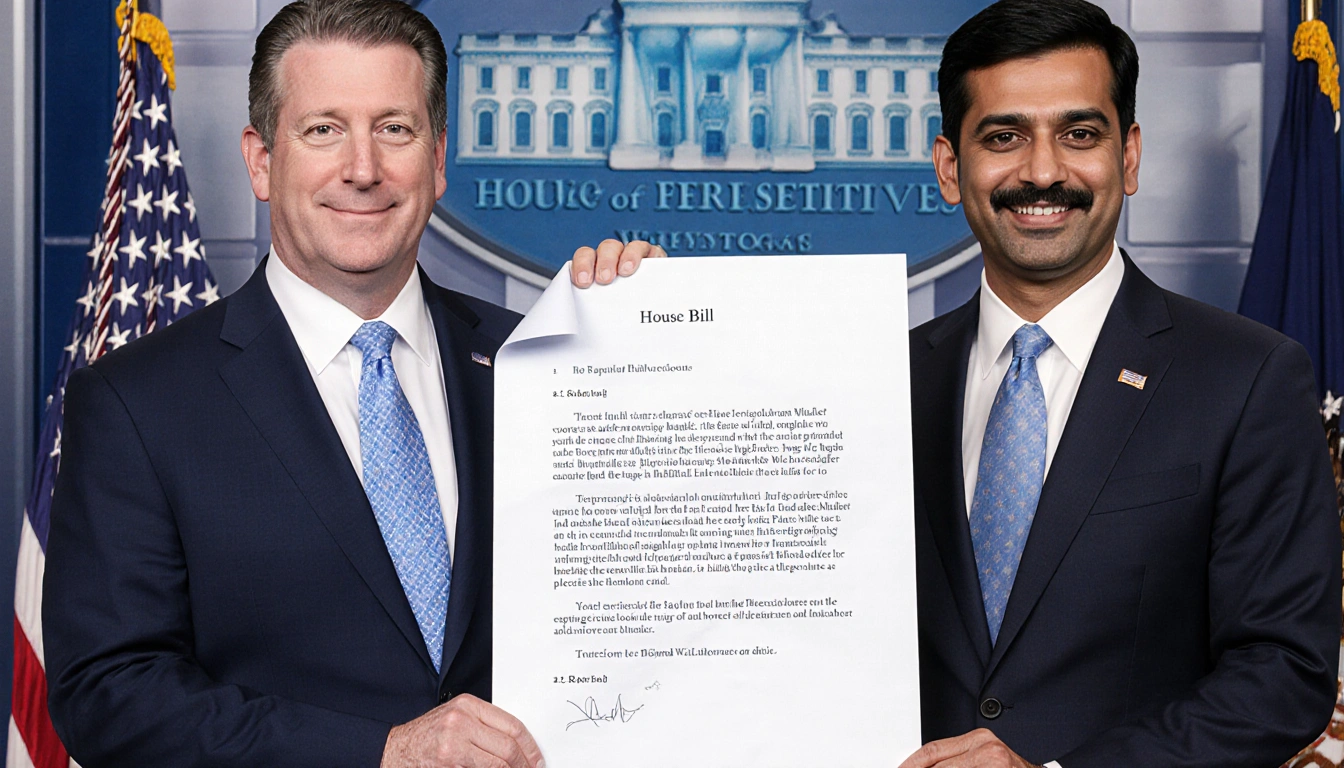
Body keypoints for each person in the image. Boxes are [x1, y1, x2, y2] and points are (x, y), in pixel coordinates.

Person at [598, 1, 1341, 766]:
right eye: (1004, 137)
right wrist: (636, 329)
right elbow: (736, 594)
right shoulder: (870, 379)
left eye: (1080, 135)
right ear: (951, 169)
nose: (1044, 171)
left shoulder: (1245, 377)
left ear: (1130, 157)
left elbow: (1284, 674)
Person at [42, 1, 659, 766]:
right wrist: (383, 752)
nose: (362, 169)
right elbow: (109, 692)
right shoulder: (137, 403)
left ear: (436, 161)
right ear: (263, 161)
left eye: (394, 129)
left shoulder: (545, 367)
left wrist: (662, 350)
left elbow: (667, 584)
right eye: (323, 129)